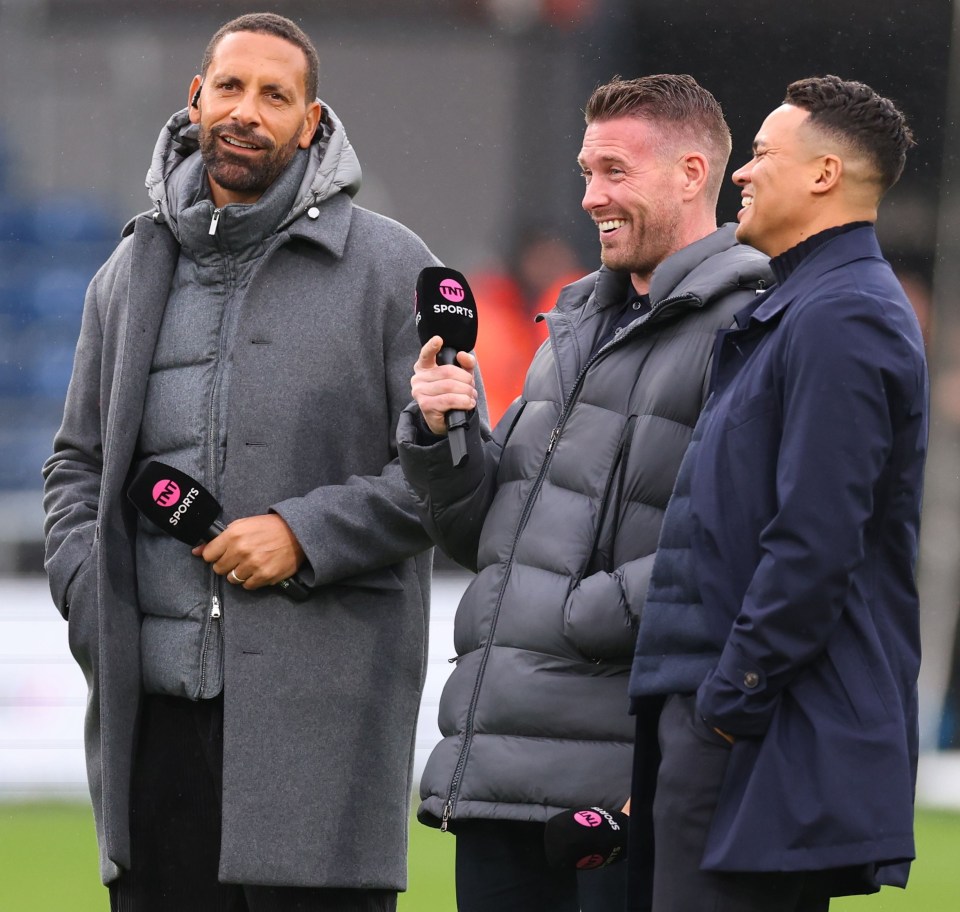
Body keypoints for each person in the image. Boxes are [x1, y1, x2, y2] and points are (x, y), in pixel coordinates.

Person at [42, 13, 439, 912]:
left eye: (275, 95)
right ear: (194, 99)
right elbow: (76, 466)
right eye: (230, 87)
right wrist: (87, 597)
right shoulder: (124, 272)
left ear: (312, 121)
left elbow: (448, 476)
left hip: (321, 738)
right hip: (156, 741)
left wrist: (304, 535)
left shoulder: (393, 267)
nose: (246, 111)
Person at [396, 74, 770, 912]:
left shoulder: (753, 327)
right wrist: (443, 437)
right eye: (585, 170)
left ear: (690, 172)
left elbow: (738, 540)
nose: (590, 195)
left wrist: (576, 612)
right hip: (495, 773)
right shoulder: (572, 322)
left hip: (618, 778)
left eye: (614, 171)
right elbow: (492, 540)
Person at [629, 75, 928, 911]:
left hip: (759, 738)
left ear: (824, 174)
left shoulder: (844, 315)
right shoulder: (802, 306)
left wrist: (727, 705)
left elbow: (816, 542)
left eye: (761, 153)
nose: (742, 174)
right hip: (735, 726)